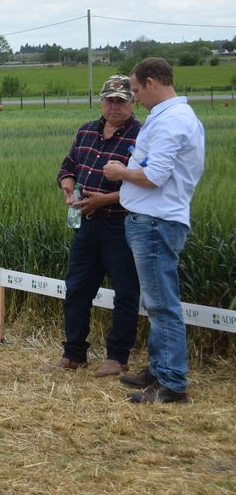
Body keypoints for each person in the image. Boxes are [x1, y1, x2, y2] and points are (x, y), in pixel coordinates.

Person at [104, 57, 205, 404]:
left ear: (151, 82)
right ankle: (160, 369)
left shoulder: (170, 122)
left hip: (155, 222)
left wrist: (120, 172)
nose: (135, 97)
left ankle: (172, 382)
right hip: (156, 219)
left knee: (162, 304)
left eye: (134, 90)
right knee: (156, 300)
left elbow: (153, 177)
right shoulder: (172, 117)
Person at [43, 75, 142, 377]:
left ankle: (117, 358)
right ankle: (73, 354)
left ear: (132, 102)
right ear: (101, 101)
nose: (114, 106)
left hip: (121, 226)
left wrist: (106, 200)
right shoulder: (87, 130)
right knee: (76, 289)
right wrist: (67, 184)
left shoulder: (142, 135)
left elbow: (147, 183)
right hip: (86, 225)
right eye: (109, 100)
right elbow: (68, 165)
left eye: (121, 100)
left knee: (126, 293)